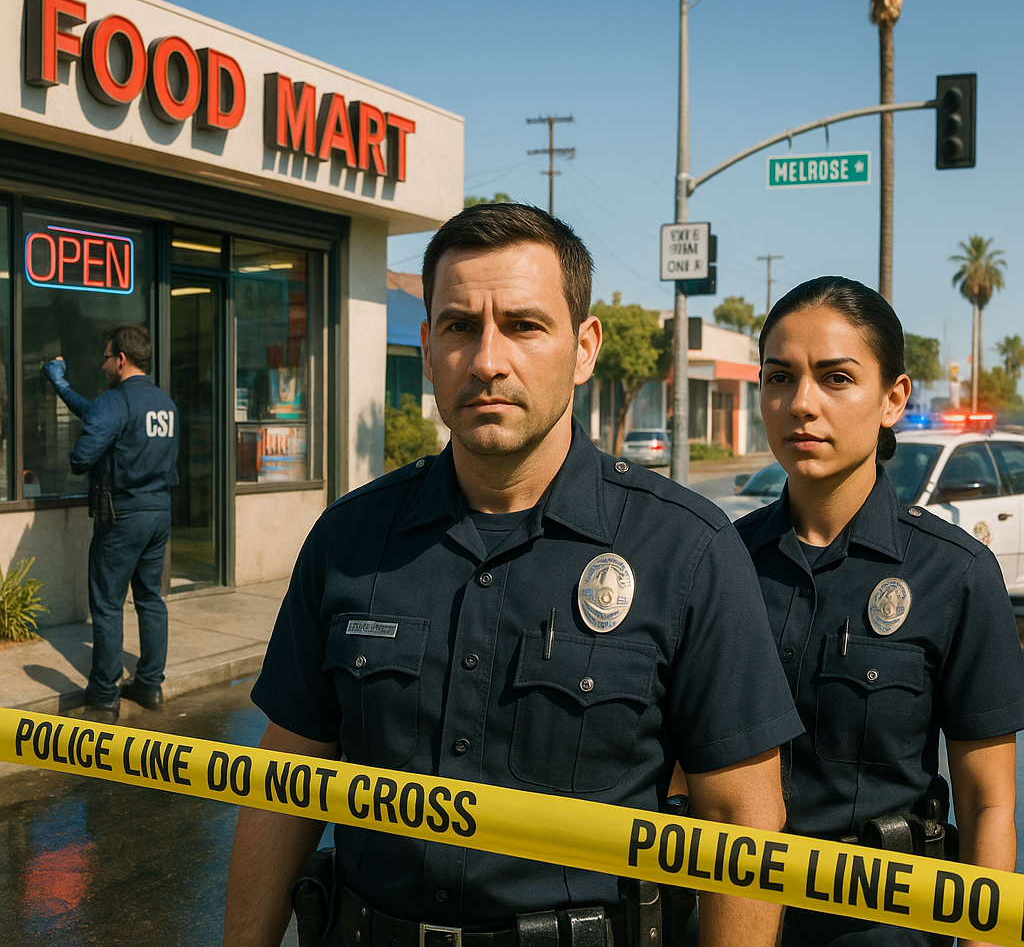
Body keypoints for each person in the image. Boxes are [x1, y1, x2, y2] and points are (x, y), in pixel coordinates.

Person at [223, 202, 804, 947]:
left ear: (584, 347)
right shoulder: (349, 538)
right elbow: (285, 789)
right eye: (461, 326)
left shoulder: (686, 551)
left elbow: (742, 820)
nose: (488, 359)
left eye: (525, 326)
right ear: (428, 348)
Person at [735, 276, 1024, 947]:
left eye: (836, 379)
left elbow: (991, 802)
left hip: (883, 928)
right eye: (780, 378)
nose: (801, 404)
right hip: (734, 918)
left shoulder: (955, 574)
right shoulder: (718, 563)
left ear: (893, 398)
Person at [43, 324, 179, 718]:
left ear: (120, 358)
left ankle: (104, 695)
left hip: (121, 516)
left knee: (106, 606)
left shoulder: (116, 402)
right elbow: (97, 412)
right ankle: (150, 685)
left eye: (105, 357)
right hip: (158, 513)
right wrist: (61, 385)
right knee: (151, 600)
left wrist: (84, 450)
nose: (103, 365)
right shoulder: (165, 404)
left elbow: (81, 457)